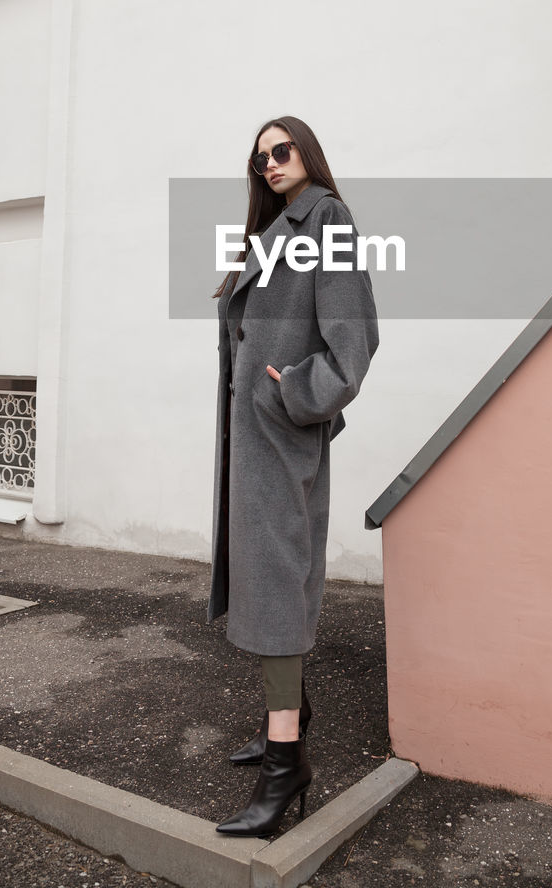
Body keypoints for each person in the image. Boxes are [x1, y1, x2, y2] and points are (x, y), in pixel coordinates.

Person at [208, 115, 380, 837]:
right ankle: (288, 718)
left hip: (280, 435)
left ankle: (288, 765)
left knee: (276, 585)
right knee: (261, 577)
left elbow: (355, 342)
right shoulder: (274, 229)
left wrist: (291, 394)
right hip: (252, 438)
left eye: (281, 151)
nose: (269, 164)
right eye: (259, 158)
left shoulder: (327, 220)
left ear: (307, 153)